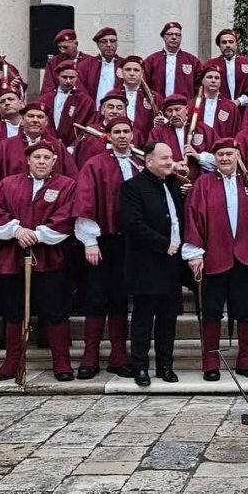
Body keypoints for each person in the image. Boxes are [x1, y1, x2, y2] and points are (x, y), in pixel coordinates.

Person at [182, 138, 248, 381]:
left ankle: (246, 359)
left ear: (238, 156)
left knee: (247, 310)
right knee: (211, 311)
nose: (225, 158)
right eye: (221, 154)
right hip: (215, 258)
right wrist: (194, 253)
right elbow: (192, 217)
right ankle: (211, 360)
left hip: (246, 257)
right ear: (214, 158)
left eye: (230, 154)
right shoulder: (203, 184)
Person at [0, 140, 79, 382]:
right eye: (37, 157)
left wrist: (38, 234)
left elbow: (66, 218)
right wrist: (16, 230)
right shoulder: (8, 184)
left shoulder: (66, 186)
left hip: (50, 258)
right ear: (28, 160)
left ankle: (62, 363)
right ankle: (11, 362)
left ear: (54, 161)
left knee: (55, 310)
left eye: (47, 158)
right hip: (13, 258)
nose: (41, 162)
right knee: (14, 312)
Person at [73, 116, 143, 380]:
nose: (122, 136)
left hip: (129, 243)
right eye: (117, 132)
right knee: (96, 296)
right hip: (102, 241)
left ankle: (118, 356)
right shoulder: (95, 164)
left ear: (133, 135)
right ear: (108, 135)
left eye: (126, 131)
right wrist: (89, 240)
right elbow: (86, 198)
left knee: (119, 297)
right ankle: (90, 356)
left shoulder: (138, 164)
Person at [119, 141, 192, 386]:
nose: (169, 161)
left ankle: (165, 366)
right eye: (164, 158)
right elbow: (133, 224)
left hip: (171, 265)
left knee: (167, 319)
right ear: (148, 161)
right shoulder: (132, 187)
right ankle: (140, 367)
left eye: (170, 157)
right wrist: (163, 244)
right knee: (143, 319)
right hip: (146, 264)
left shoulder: (172, 185)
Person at [0, 103, 74, 178]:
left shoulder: (57, 146)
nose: (35, 120)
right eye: (30, 116)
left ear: (46, 122)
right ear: (22, 121)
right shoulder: (5, 146)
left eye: (40, 117)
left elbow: (71, 176)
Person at [147, 94, 216, 184]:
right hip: (170, 184)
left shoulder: (203, 129)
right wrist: (173, 166)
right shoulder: (157, 132)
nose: (174, 114)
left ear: (187, 109)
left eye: (177, 109)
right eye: (169, 111)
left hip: (201, 185)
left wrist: (199, 157)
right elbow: (152, 160)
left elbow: (219, 159)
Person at [38, 60, 95, 146]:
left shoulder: (85, 101)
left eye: (71, 78)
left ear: (77, 77)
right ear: (57, 76)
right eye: (64, 77)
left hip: (73, 148)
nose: (68, 81)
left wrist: (74, 146)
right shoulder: (45, 99)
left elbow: (89, 127)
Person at [192, 62, 241, 140]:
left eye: (217, 78)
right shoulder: (192, 104)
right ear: (202, 81)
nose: (213, 80)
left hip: (222, 150)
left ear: (220, 82)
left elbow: (236, 132)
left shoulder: (230, 107)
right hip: (197, 149)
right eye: (209, 77)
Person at [211, 28, 248, 105]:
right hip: (218, 108)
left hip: (243, 110)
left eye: (231, 42)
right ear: (219, 46)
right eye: (224, 42)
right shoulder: (210, 65)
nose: (228, 45)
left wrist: (239, 101)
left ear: (236, 45)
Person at [81, 26, 128, 103]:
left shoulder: (125, 64)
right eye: (104, 41)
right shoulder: (86, 65)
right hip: (94, 111)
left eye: (112, 41)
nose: (109, 45)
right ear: (98, 44)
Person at [40, 28, 90, 95]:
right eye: (60, 47)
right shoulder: (53, 62)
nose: (62, 51)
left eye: (65, 47)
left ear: (76, 44)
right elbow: (48, 89)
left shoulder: (89, 61)